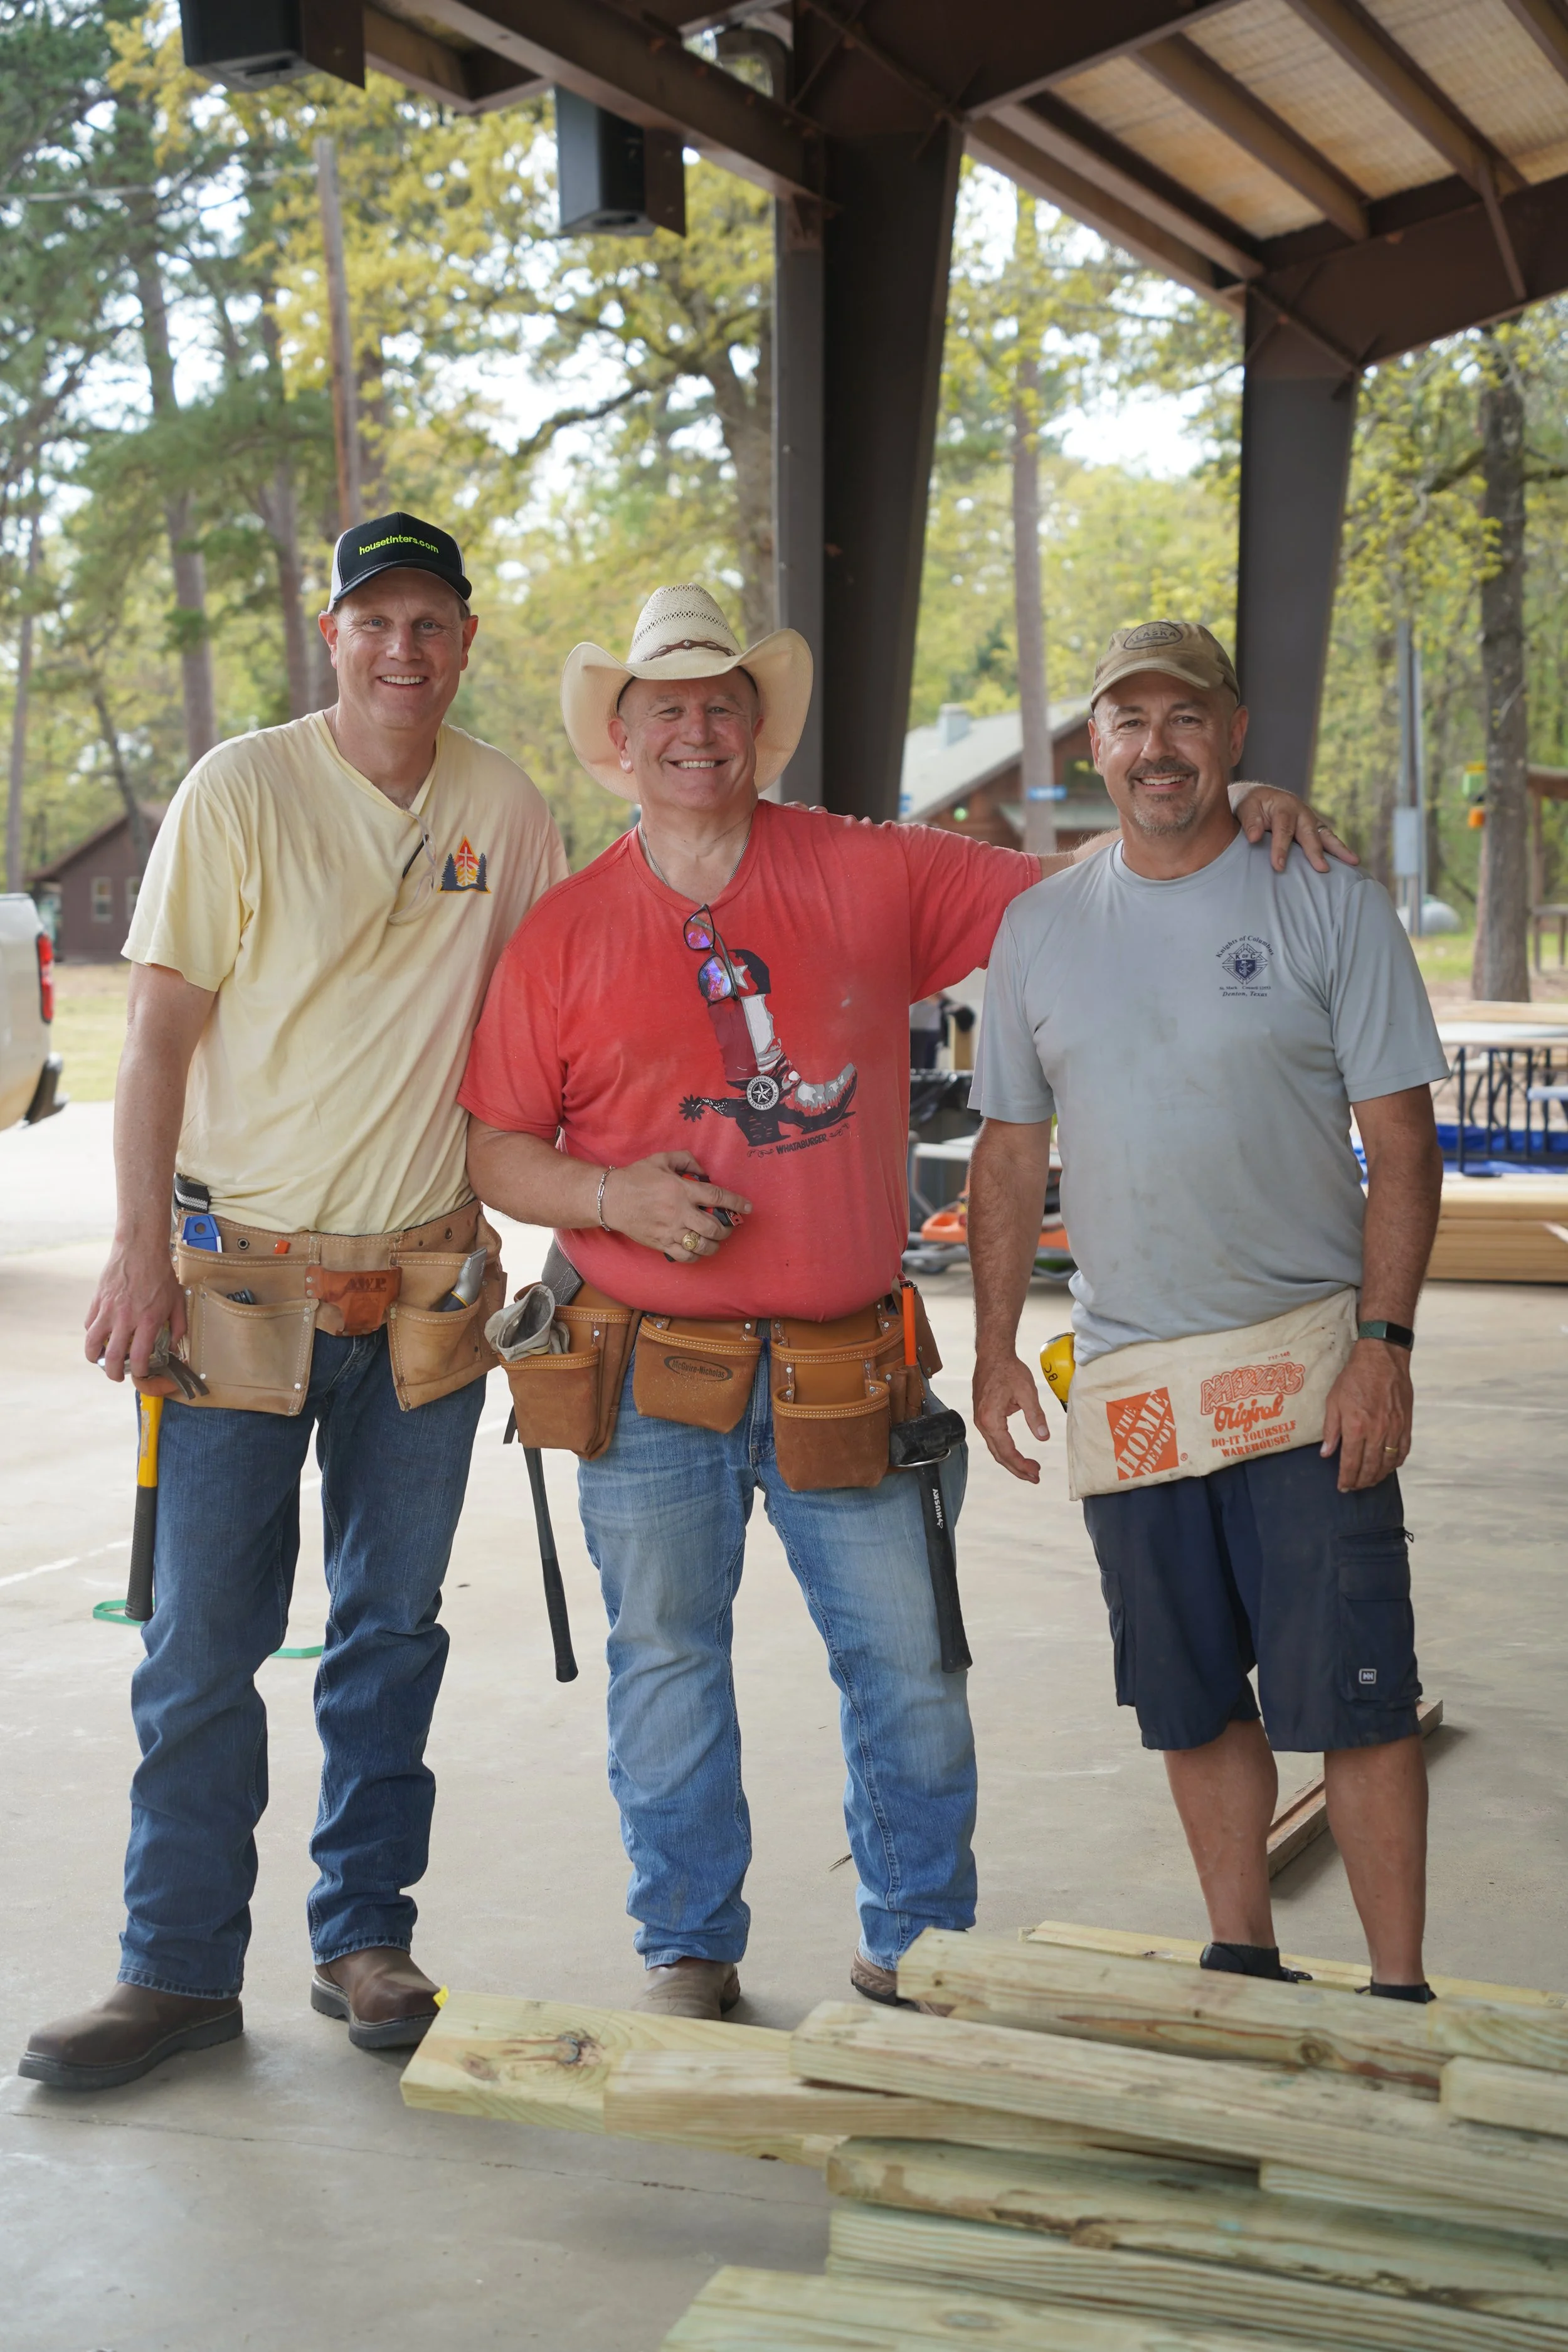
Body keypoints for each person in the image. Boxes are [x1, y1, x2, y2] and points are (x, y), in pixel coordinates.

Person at [458, 585, 1342, 2019]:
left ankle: (917, 1950)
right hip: (645, 1382)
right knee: (667, 1674)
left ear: (759, 730)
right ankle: (688, 1949)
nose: (695, 732)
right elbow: (496, 1142)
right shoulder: (561, 935)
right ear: (618, 740)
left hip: (842, 1369)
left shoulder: (869, 872)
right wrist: (612, 1199)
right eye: (664, 709)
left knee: (911, 1675)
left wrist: (1231, 794)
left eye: (720, 706)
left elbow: (1101, 878)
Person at [20, 512, 567, 2091]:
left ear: (466, 642)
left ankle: (363, 1940)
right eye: (372, 619)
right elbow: (158, 1039)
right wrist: (137, 1253)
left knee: (390, 1632)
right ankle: (175, 1970)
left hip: (424, 1285)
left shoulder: (506, 807)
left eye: (431, 623)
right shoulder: (240, 790)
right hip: (235, 1279)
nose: (403, 648)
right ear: (331, 634)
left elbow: (550, 1034)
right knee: (201, 1641)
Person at [968, 619, 1448, 1999]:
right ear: (1093, 748)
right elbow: (1007, 1152)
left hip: (1306, 1368)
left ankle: (1398, 1996)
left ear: (1233, 734)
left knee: (1352, 1699)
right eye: (1127, 722)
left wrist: (1382, 1349)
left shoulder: (1321, 896)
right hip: (1129, 1380)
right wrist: (994, 1346)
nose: (1155, 746)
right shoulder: (1039, 925)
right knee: (1187, 1700)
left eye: (1184, 718)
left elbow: (1401, 1147)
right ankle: (1243, 1959)